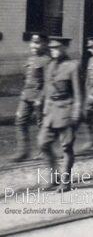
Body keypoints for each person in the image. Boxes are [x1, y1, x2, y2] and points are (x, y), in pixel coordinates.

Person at [38, 37, 81, 192]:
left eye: (57, 48)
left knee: (66, 147)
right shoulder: (49, 65)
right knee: (43, 143)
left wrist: (76, 113)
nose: (53, 51)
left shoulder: (72, 66)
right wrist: (43, 108)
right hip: (51, 111)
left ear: (64, 48)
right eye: (52, 48)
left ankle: (65, 182)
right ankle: (54, 176)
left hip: (66, 110)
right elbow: (47, 89)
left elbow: (78, 93)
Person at [11, 32, 50, 162]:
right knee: (20, 121)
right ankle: (23, 152)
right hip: (27, 95)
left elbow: (48, 83)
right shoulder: (31, 58)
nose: (33, 45)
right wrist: (23, 92)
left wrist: (41, 98)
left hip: (40, 97)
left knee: (42, 124)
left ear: (45, 44)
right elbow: (27, 78)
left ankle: (44, 151)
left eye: (37, 43)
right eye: (32, 42)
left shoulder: (47, 60)